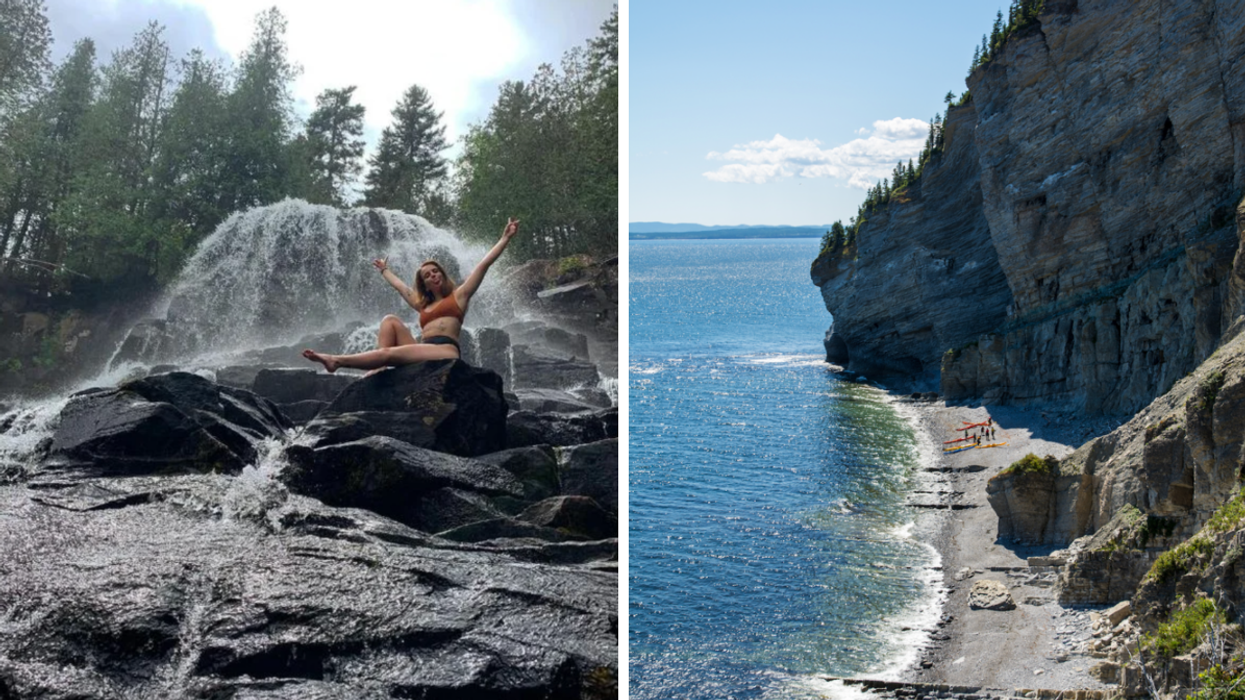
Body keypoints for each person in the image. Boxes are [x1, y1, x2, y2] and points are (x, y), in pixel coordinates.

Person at [302, 217, 519, 373]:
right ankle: (378, 366)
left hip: (444, 350)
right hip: (423, 348)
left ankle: (336, 361)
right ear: (423, 283)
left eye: (435, 271)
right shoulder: (422, 304)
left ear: (442, 274)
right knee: (390, 321)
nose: (433, 275)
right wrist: (384, 270)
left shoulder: (459, 296)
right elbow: (401, 287)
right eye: (427, 275)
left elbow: (483, 266)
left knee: (387, 353)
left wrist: (504, 239)